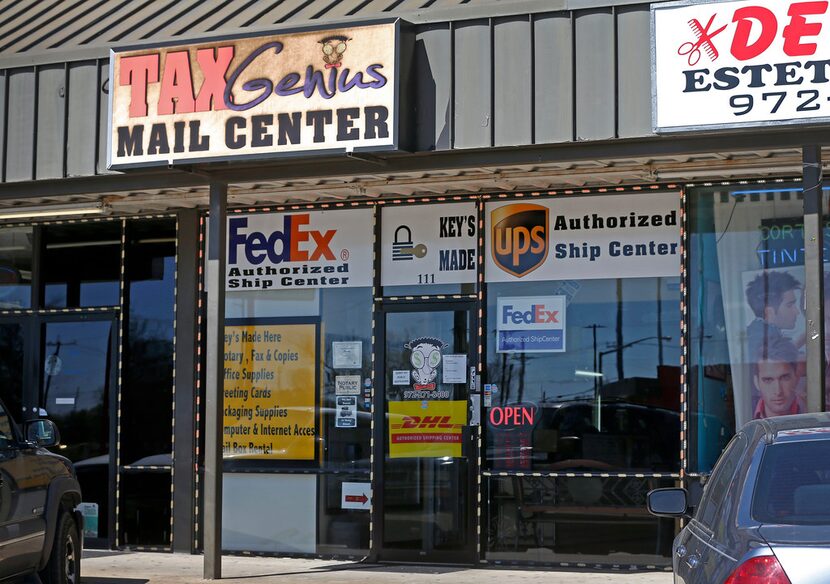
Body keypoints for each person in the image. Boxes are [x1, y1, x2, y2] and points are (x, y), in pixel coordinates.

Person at [745, 270, 803, 361]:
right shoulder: (760, 340)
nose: (797, 311)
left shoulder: (757, 332)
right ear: (769, 313)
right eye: (789, 305)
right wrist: (803, 339)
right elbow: (775, 363)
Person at [752, 337, 803, 419]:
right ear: (756, 382)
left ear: (797, 377)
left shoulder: (811, 412)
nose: (778, 391)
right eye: (768, 380)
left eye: (785, 378)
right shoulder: (744, 416)